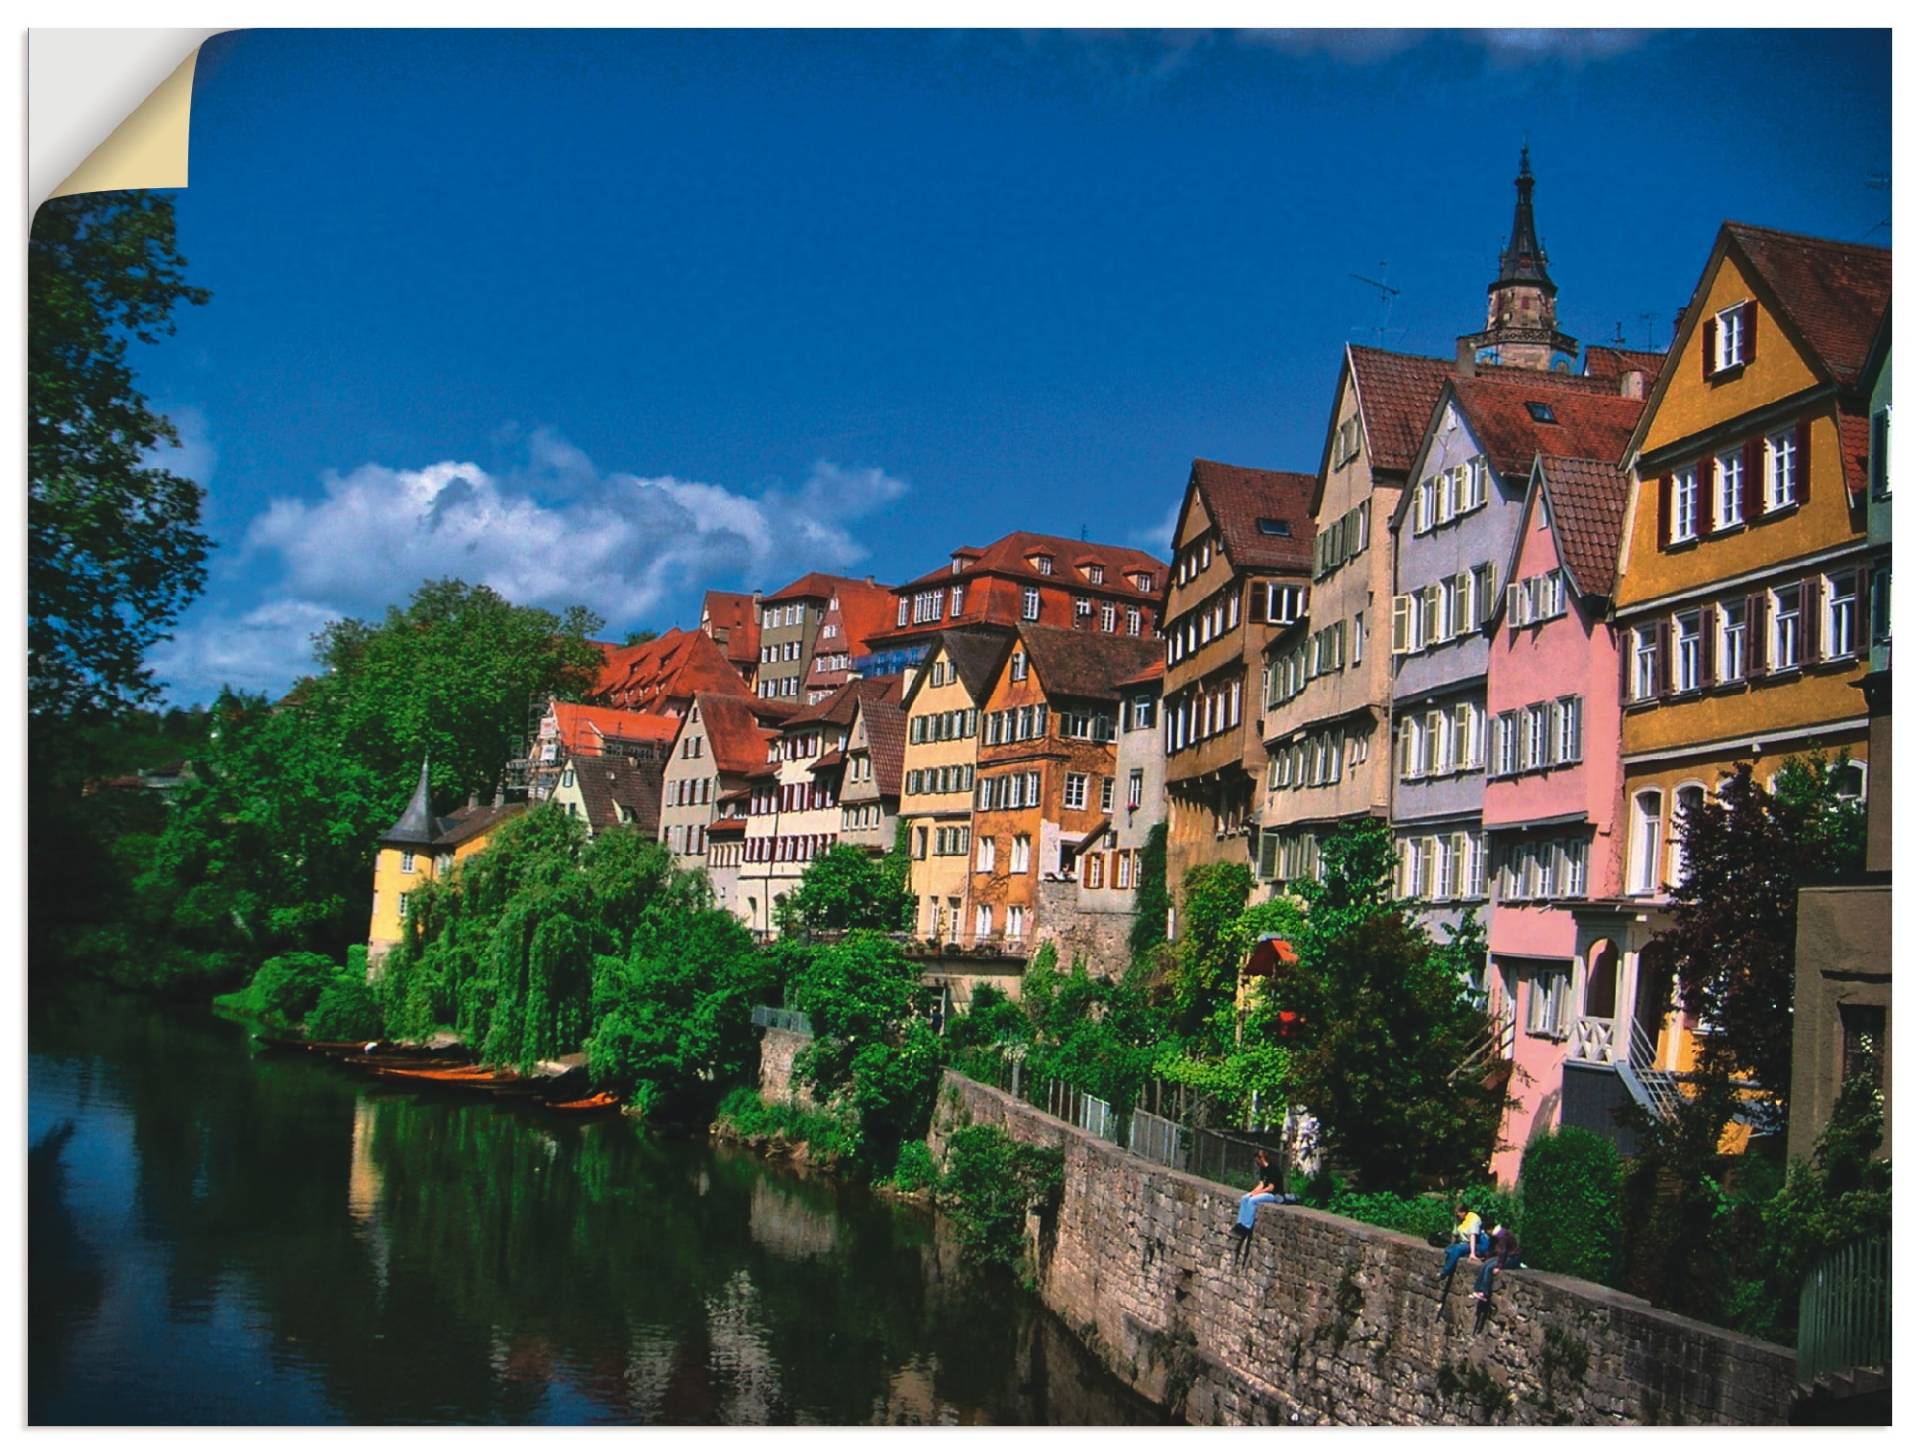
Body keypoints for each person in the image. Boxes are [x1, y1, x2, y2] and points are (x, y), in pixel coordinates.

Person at [1231, 1150, 1283, 1243]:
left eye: (1257, 1161)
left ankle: (1247, 1226)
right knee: (1245, 1198)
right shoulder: (1262, 1169)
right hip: (1265, 1192)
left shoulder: (1273, 1169)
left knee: (1252, 1201)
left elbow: (1271, 1188)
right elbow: (1261, 1184)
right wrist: (1252, 1192)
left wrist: (1257, 1194)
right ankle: (1240, 1224)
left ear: (1262, 1158)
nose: (1256, 1163)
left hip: (1274, 1195)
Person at [1438, 1203, 1487, 1282]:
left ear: (1464, 1212)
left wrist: (1472, 1253)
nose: (1456, 1216)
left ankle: (1444, 1272)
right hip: (1466, 1244)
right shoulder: (1458, 1220)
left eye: (1458, 1214)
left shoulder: (1473, 1218)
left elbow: (1472, 1236)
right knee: (1449, 1249)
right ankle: (1462, 1254)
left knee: (1457, 1249)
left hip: (1478, 1244)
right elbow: (1455, 1234)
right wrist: (1451, 1245)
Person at [1473, 1223, 1521, 1301]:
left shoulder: (1502, 1235)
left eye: (1486, 1232)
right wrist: (1485, 1258)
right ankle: (1478, 1289)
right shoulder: (1495, 1236)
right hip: (1504, 1257)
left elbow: (1502, 1251)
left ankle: (1484, 1292)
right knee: (1485, 1264)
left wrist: (1499, 1266)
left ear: (1490, 1229)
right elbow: (1492, 1250)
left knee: (1489, 1267)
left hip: (1512, 1258)